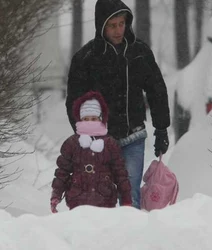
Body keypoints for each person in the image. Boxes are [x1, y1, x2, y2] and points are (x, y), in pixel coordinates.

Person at [65, 0, 170, 209]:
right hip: (100, 141)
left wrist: (161, 128)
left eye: (121, 24)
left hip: (134, 137)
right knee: (101, 197)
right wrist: (83, 135)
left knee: (130, 195)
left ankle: (135, 239)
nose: (118, 30)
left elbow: (156, 90)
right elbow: (75, 101)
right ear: (101, 26)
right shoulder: (87, 58)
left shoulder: (138, 52)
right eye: (112, 25)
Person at [50, 91, 132, 213]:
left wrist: (126, 198)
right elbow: (62, 172)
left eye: (93, 119)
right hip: (77, 201)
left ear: (101, 118)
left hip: (105, 201)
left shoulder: (110, 144)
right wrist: (56, 195)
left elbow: (120, 173)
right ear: (80, 119)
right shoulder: (72, 143)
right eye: (86, 119)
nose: (90, 122)